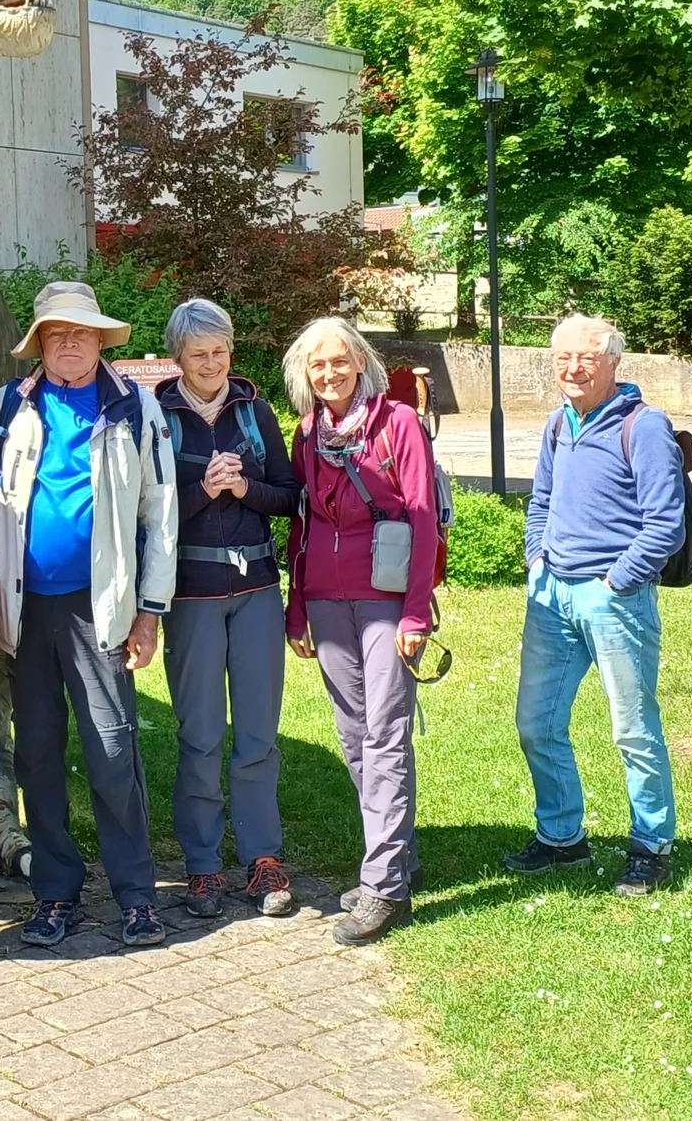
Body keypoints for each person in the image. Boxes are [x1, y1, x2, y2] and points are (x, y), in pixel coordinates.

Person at [0, 281, 178, 949]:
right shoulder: (8, 407)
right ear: (38, 344)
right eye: (57, 332)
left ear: (99, 339)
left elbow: (159, 513)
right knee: (36, 755)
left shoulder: (133, 406)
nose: (70, 342)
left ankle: (137, 894)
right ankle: (55, 892)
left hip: (103, 608)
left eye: (81, 331)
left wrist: (150, 610)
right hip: (25, 609)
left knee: (113, 748)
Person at [513, 314, 685, 897]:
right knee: (537, 724)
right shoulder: (558, 425)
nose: (573, 368)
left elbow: (667, 524)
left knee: (632, 729)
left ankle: (652, 845)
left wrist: (616, 582)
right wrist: (537, 561)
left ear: (614, 361)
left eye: (586, 357)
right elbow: (540, 501)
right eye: (562, 358)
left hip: (614, 600)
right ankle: (562, 838)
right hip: (551, 596)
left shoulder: (646, 426)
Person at [282, 316, 439, 946]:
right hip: (325, 599)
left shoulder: (396, 423)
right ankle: (396, 855)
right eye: (317, 365)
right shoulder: (306, 434)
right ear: (305, 374)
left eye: (339, 361)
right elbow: (300, 525)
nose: (329, 374)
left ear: (360, 363)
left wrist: (416, 611)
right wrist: (298, 608)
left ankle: (385, 888)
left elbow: (423, 516)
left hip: (385, 599)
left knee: (386, 733)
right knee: (354, 736)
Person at [152, 299, 300, 920]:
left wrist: (245, 488)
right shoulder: (157, 417)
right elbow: (148, 512)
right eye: (198, 353)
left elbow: (292, 498)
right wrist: (203, 489)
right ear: (178, 358)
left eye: (220, 351)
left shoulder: (254, 410)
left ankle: (263, 857)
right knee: (201, 734)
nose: (211, 363)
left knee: (259, 735)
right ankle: (203, 864)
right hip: (191, 594)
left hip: (258, 589)